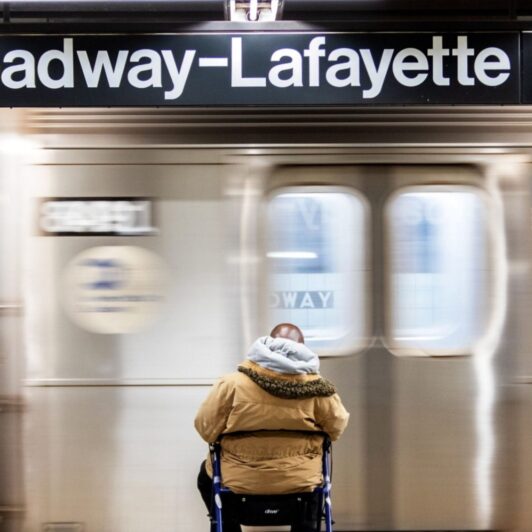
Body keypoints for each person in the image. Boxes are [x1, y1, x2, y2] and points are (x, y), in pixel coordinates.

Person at [194, 323, 350, 532]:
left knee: (205, 478)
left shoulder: (231, 384)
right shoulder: (318, 387)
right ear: (302, 348)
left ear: (268, 345)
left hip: (238, 483)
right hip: (300, 484)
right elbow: (336, 427)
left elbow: (206, 428)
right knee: (316, 487)